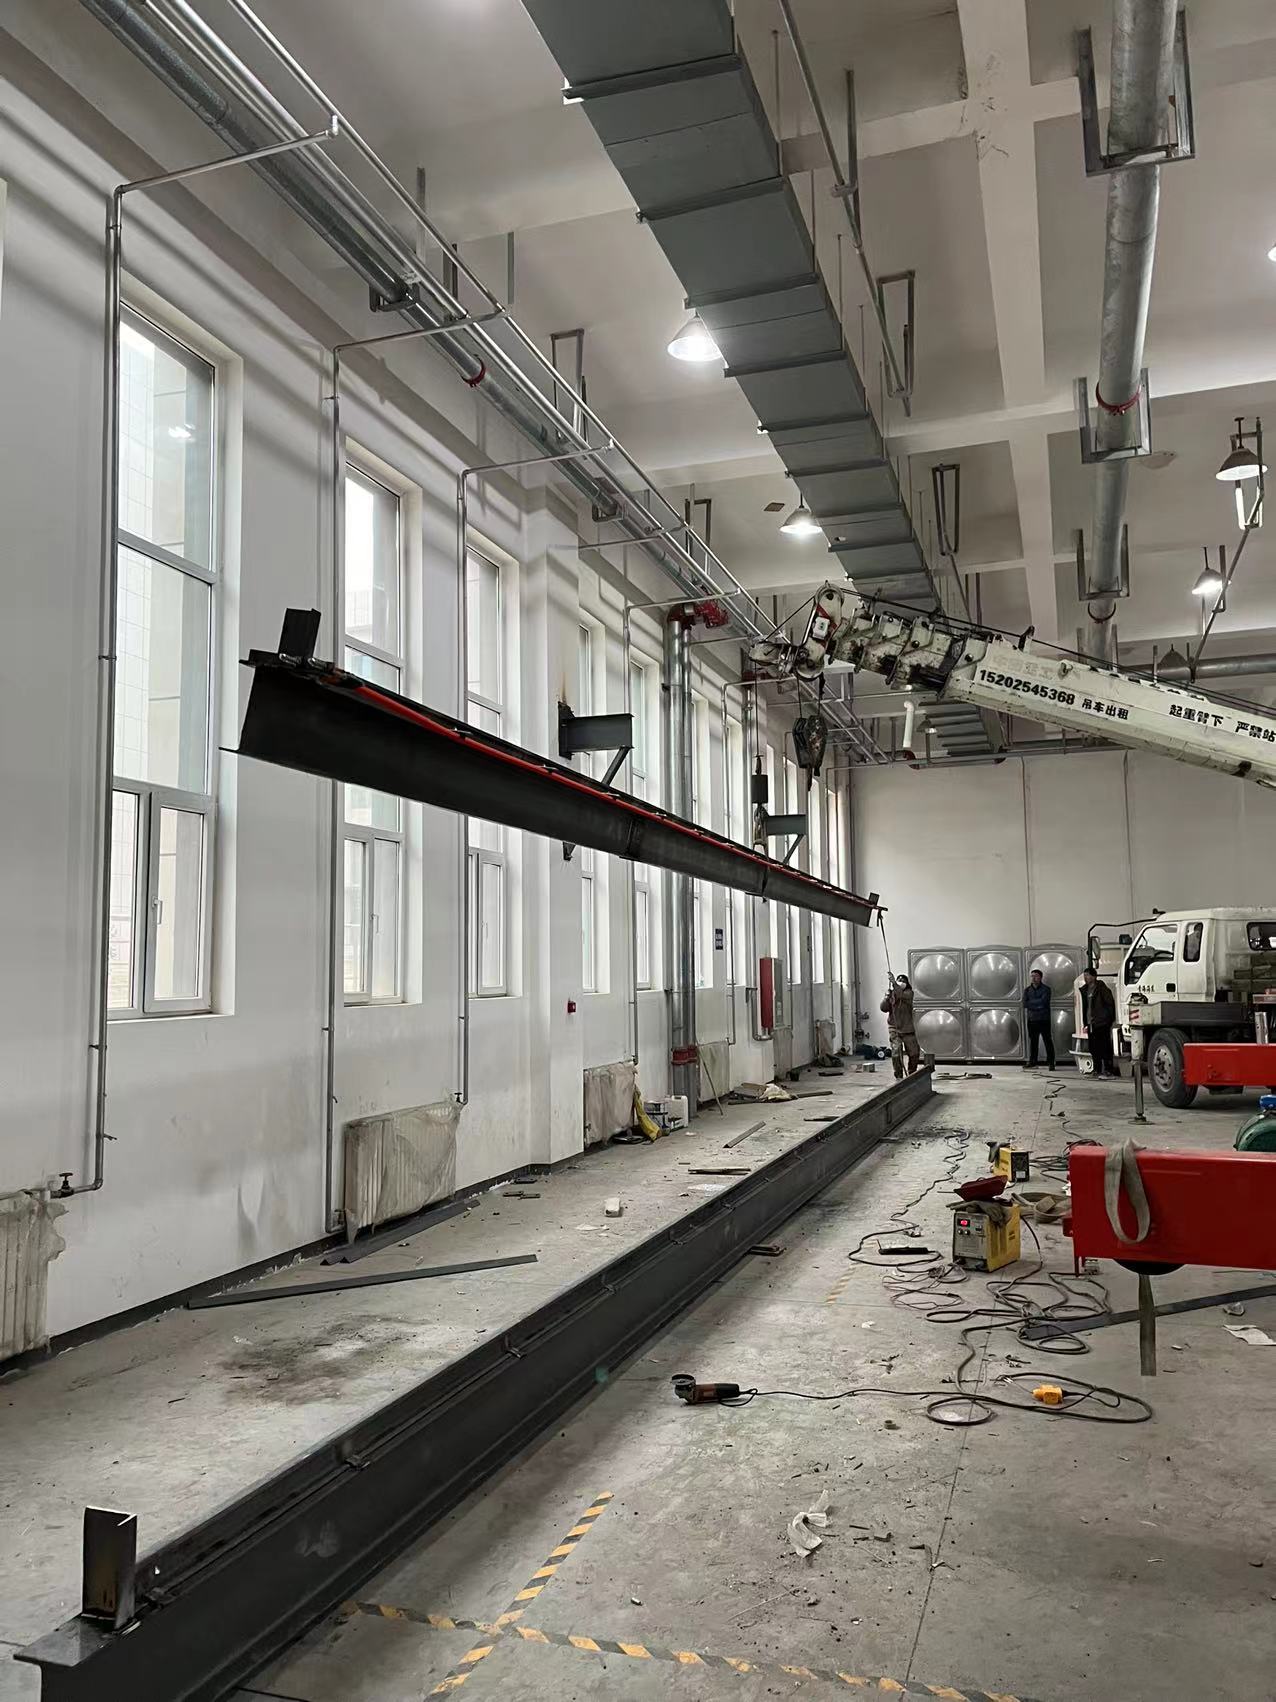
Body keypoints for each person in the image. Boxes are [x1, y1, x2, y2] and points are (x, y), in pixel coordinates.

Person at [880, 974, 921, 1080]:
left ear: (907, 984)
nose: (901, 982)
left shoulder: (909, 993)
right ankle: (898, 1076)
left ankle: (912, 1073)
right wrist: (886, 998)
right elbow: (883, 1008)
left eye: (903, 981)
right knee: (896, 1054)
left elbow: (901, 995)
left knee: (914, 1053)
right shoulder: (892, 994)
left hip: (908, 1029)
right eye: (899, 980)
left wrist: (894, 983)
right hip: (894, 1028)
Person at [1082, 966, 1120, 1078]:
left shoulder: (1102, 989)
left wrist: (1108, 1019)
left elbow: (1110, 1004)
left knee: (1105, 1047)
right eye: (1084, 975)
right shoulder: (1085, 990)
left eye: (1088, 975)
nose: (1085, 978)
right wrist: (1085, 1023)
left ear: (1094, 976)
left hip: (1102, 1023)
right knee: (1093, 1048)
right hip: (1091, 1023)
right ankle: (1096, 1069)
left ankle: (1108, 1070)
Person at [1022, 968, 1055, 1070]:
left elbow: (1044, 1002)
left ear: (1040, 977)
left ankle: (1051, 1063)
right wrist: (1038, 1004)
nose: (1033, 978)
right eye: (1032, 976)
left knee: (1047, 1041)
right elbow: (1025, 1004)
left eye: (1036, 976)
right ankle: (1033, 1062)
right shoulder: (1027, 990)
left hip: (1044, 1019)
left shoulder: (1046, 989)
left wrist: (1032, 1004)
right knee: (1033, 1042)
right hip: (1032, 1020)